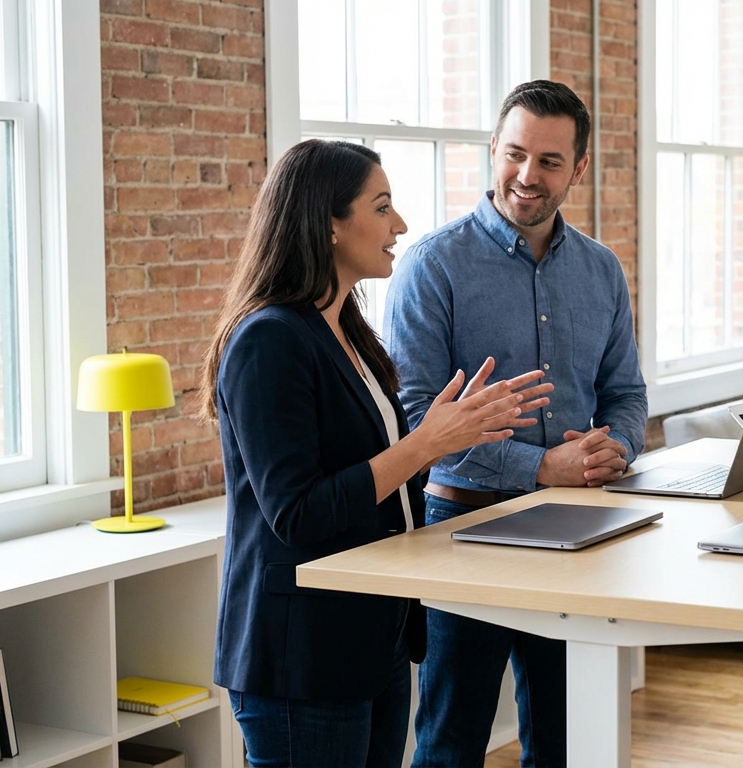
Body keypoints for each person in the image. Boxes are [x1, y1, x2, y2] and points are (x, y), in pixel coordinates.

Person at [202, 139, 551, 768]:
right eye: (381, 207)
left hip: (375, 634)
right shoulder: (268, 340)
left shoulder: (348, 331)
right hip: (302, 653)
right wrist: (427, 444)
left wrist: (455, 434)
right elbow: (299, 513)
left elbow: (379, 480)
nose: (400, 226)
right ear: (329, 223)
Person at [385, 80, 648, 767]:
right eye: (514, 153)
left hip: (578, 527)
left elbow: (626, 393)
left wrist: (609, 449)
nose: (528, 176)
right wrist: (537, 467)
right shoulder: (431, 267)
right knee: (450, 737)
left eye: (550, 162)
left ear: (578, 169)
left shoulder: (601, 270)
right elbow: (417, 422)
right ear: (493, 150)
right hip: (463, 530)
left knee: (566, 734)